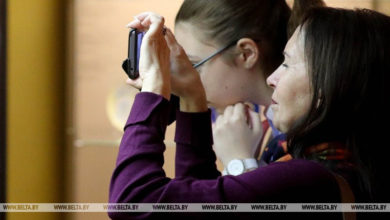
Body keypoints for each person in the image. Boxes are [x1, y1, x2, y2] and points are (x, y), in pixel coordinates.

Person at [109, 6, 390, 220]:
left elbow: (132, 200)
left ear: (331, 85)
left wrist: (154, 88)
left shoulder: (309, 180)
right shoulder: (335, 170)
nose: (272, 78)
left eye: (288, 65)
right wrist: (192, 97)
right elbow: (200, 198)